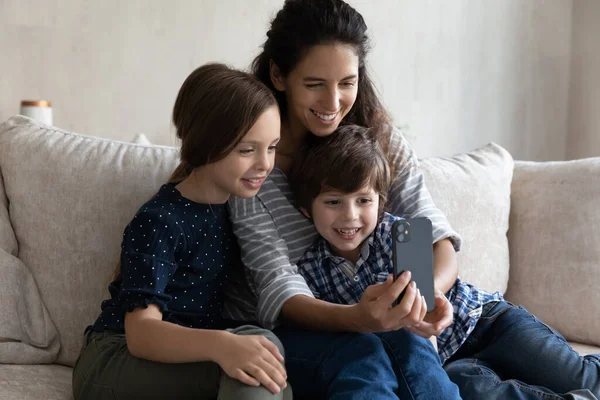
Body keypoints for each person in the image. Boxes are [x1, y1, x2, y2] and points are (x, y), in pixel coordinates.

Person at [223, 0, 462, 399]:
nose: (333, 104)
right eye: (315, 84)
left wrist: (422, 296)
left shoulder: (378, 142)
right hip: (296, 334)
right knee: (364, 351)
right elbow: (277, 284)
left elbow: (423, 230)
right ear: (279, 75)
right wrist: (358, 318)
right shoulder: (252, 168)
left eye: (347, 83)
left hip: (391, 326)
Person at [291, 125, 600, 400]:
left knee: (580, 377)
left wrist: (426, 297)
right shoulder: (310, 272)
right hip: (450, 363)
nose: (350, 216)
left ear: (380, 202)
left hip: (488, 322)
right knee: (471, 388)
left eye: (363, 201)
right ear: (306, 209)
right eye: (333, 202)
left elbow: (427, 297)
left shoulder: (399, 235)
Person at [72, 63, 292, 400]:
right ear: (205, 145)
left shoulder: (238, 212)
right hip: (114, 361)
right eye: (247, 150)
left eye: (272, 147)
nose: (265, 163)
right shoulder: (161, 220)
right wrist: (222, 345)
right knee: (254, 370)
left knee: (263, 348)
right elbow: (142, 334)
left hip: (185, 357)